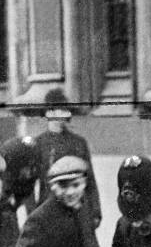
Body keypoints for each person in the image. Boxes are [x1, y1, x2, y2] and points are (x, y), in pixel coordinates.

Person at [33, 88, 102, 228]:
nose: (66, 113)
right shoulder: (38, 144)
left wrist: (95, 211)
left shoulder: (78, 143)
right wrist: (33, 214)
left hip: (77, 209)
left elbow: (90, 179)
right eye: (61, 109)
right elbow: (30, 184)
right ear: (49, 112)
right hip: (48, 211)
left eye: (66, 109)